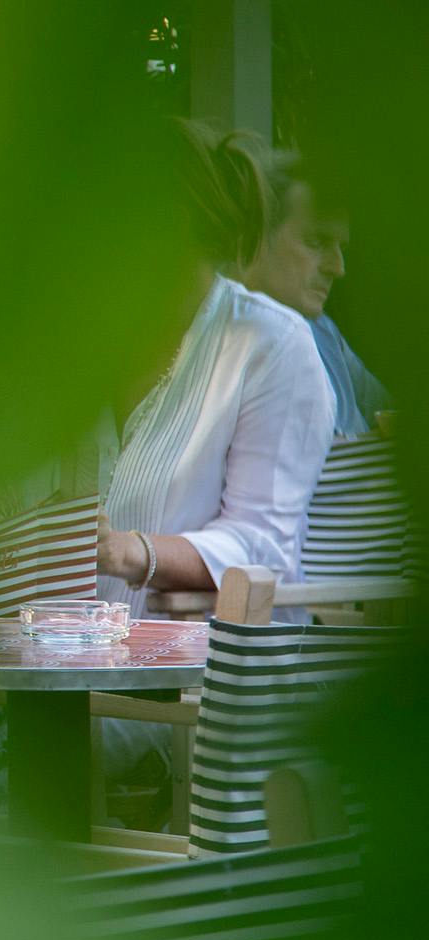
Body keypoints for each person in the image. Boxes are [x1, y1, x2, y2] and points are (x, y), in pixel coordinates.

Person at [95, 122, 336, 615]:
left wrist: (126, 551)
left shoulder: (272, 345)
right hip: (58, 667)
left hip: (206, 678)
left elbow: (261, 546)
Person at [240, 153, 389, 437]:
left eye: (340, 248)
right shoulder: (221, 349)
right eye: (316, 242)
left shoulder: (322, 331)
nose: (338, 268)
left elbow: (394, 415)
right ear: (255, 236)